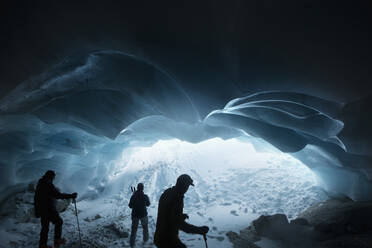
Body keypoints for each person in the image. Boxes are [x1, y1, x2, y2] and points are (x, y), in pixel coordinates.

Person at [154, 174, 209, 248]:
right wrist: (199, 230)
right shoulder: (177, 198)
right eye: (187, 186)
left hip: (160, 235)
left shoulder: (167, 193)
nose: (187, 189)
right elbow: (179, 224)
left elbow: (167, 213)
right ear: (183, 186)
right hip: (167, 240)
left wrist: (180, 216)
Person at [34, 170, 78, 248]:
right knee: (59, 222)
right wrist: (70, 195)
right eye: (54, 177)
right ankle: (57, 240)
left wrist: (37, 210)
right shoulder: (47, 184)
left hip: (42, 209)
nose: (54, 178)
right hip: (48, 208)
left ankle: (42, 245)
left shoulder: (41, 183)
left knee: (45, 227)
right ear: (51, 176)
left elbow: (36, 197)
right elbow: (57, 195)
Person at [128, 183, 150, 247]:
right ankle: (145, 240)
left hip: (135, 215)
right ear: (143, 188)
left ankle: (132, 244)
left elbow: (130, 206)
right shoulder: (145, 196)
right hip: (143, 215)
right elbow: (148, 204)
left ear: (137, 188)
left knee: (134, 230)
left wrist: (134, 196)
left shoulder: (133, 196)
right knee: (145, 228)